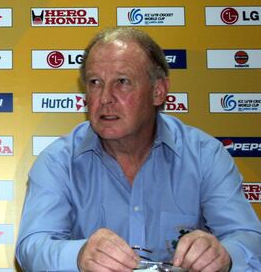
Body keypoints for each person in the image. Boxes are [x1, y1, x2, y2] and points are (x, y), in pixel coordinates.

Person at [16, 27, 261, 272]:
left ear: (158, 91)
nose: (104, 98)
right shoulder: (58, 161)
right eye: (95, 82)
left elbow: (249, 238)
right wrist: (78, 255)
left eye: (122, 82)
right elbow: (32, 248)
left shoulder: (205, 155)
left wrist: (225, 255)